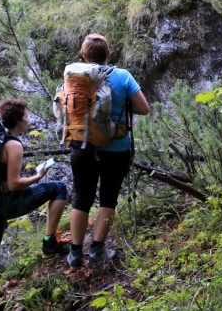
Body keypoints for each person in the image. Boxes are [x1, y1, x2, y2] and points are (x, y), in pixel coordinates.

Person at [0, 99, 68, 308]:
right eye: (27, 116)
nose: (29, 120)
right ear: (19, 120)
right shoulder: (13, 145)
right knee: (58, 188)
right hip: (5, 203)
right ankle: (49, 243)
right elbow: (13, 184)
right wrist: (38, 176)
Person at [67, 33, 150, 268]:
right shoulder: (123, 76)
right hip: (116, 148)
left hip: (81, 146)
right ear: (109, 53)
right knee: (108, 197)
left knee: (81, 198)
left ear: (83, 55)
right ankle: (96, 249)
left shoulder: (73, 76)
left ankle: (74, 254)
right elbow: (144, 109)